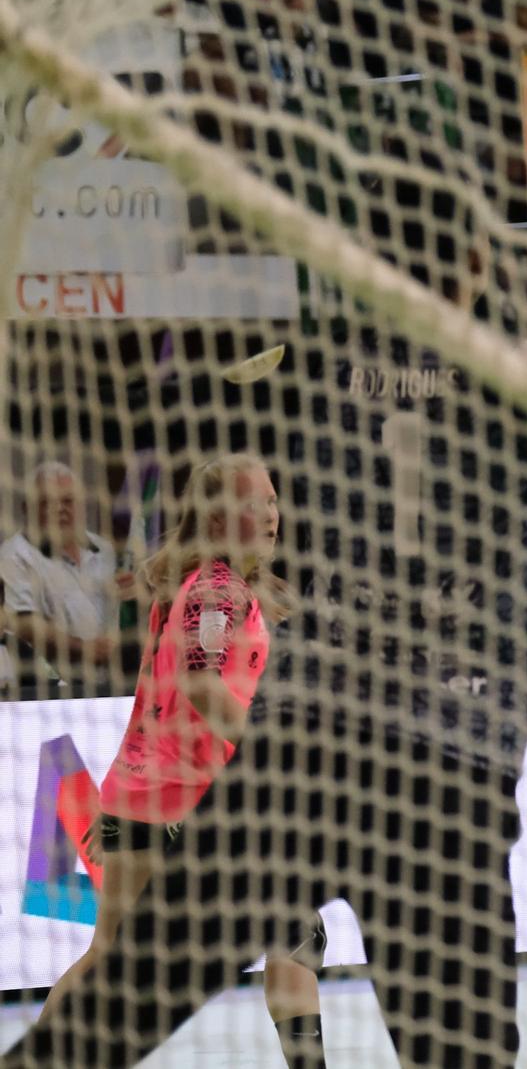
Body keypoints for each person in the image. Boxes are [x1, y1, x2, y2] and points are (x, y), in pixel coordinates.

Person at [33, 456, 323, 1065]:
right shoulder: (218, 588)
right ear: (220, 515)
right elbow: (202, 685)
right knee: (296, 939)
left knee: (107, 953)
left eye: (272, 500)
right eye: (254, 504)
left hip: (133, 795)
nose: (270, 515)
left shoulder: (195, 584)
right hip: (191, 802)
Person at [0, 461, 122, 692]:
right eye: (47, 502)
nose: (60, 509)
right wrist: (86, 650)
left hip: (113, 684)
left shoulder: (104, 549)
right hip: (51, 691)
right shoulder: (14, 555)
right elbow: (25, 626)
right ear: (27, 508)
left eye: (67, 501)